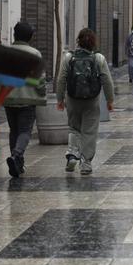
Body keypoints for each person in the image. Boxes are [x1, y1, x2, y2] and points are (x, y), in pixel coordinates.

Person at [57, 28, 115, 175]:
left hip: (72, 99)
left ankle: (71, 155)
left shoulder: (69, 57)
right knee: (89, 131)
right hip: (92, 100)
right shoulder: (98, 58)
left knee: (74, 127)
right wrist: (110, 100)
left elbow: (61, 79)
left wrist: (59, 99)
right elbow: (107, 81)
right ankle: (86, 163)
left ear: (78, 41)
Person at [3, 22, 46, 178]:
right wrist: (42, 92)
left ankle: (17, 163)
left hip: (9, 98)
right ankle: (16, 155)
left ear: (15, 35)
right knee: (25, 131)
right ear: (31, 37)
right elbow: (39, 78)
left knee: (13, 130)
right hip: (28, 99)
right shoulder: (34, 53)